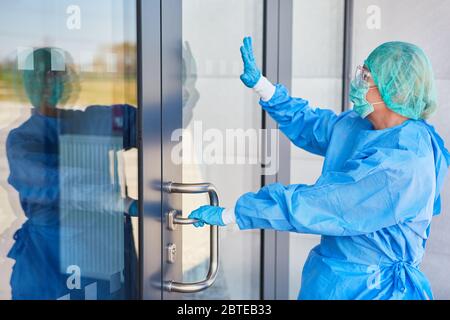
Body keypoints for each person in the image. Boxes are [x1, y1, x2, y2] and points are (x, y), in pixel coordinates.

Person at [188, 37, 450, 300]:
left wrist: (235, 214)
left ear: (394, 91)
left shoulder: (405, 165)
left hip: (374, 289)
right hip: (336, 278)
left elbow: (325, 204)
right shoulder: (363, 126)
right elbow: (315, 125)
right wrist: (263, 86)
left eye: (367, 76)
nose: (358, 80)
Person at [6, 48, 138, 300]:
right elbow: (58, 182)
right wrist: (122, 203)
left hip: (103, 264)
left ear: (68, 80)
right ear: (26, 84)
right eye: (38, 76)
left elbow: (154, 124)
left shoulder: (93, 120)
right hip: (48, 269)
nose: (46, 83)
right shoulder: (21, 140)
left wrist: (179, 89)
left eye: (54, 75)